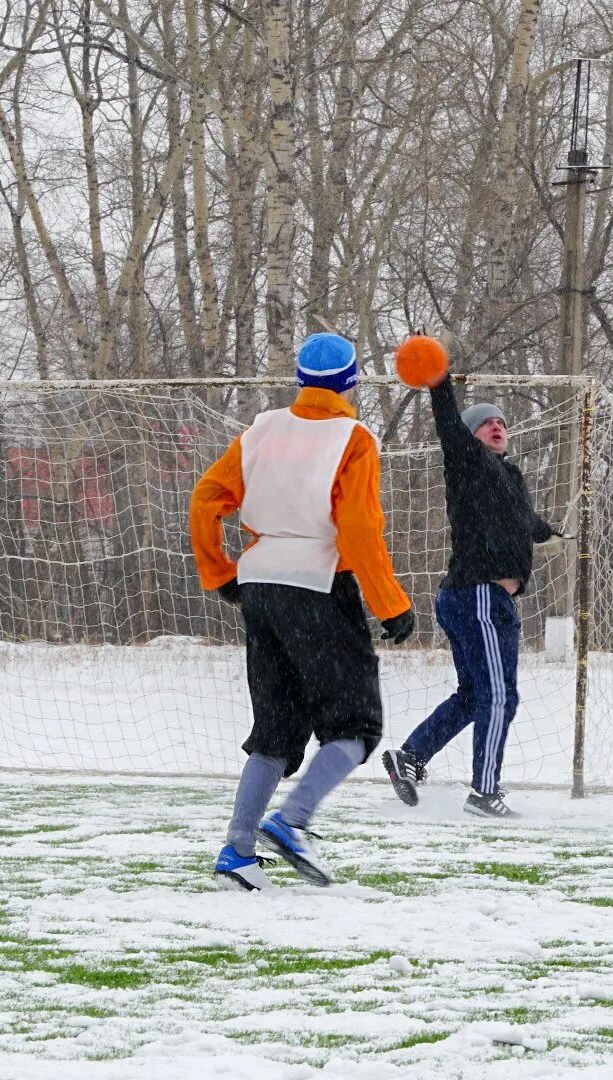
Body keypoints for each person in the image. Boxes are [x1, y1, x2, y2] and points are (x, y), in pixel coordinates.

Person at [189, 332, 415, 890]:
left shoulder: (261, 429)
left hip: (261, 581)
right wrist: (391, 603)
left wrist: (221, 573)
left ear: (300, 380)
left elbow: (204, 500)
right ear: (350, 381)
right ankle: (291, 822)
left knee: (275, 727)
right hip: (319, 585)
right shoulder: (354, 438)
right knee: (356, 725)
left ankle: (236, 854)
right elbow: (359, 530)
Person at [382, 352, 562, 818]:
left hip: (470, 598)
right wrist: (439, 381)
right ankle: (485, 793)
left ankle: (410, 757)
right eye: (486, 424)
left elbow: (526, 521)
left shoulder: (508, 476)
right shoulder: (468, 460)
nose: (497, 427)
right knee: (500, 696)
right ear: (472, 435)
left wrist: (555, 532)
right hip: (480, 594)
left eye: (502, 423)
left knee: (472, 696)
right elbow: (448, 423)